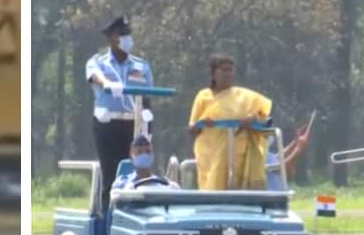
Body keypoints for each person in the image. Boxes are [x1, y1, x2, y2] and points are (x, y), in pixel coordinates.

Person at [86, 16, 154, 210]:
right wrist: (106, 83)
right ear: (110, 38)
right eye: (121, 35)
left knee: (139, 174)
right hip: (108, 125)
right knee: (112, 175)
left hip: (135, 126)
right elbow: (93, 76)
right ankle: (111, 220)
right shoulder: (98, 62)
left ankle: (135, 214)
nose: (126, 39)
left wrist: (148, 128)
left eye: (127, 34)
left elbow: (147, 97)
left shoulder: (141, 66)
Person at [188, 55, 273, 190]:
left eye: (231, 70)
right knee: (214, 190)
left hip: (240, 154)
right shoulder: (203, 96)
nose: (228, 74)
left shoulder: (244, 95)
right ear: (213, 74)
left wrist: (252, 118)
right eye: (224, 70)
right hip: (212, 153)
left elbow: (265, 117)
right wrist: (202, 122)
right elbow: (192, 129)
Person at [111, 135, 180, 192]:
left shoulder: (163, 183)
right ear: (131, 158)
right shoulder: (122, 183)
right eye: (139, 152)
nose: (144, 155)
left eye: (148, 151)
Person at [264, 122, 310, 190]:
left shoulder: (265, 153)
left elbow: (277, 157)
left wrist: (295, 141)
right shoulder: (253, 154)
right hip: (269, 197)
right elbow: (280, 169)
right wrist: (298, 150)